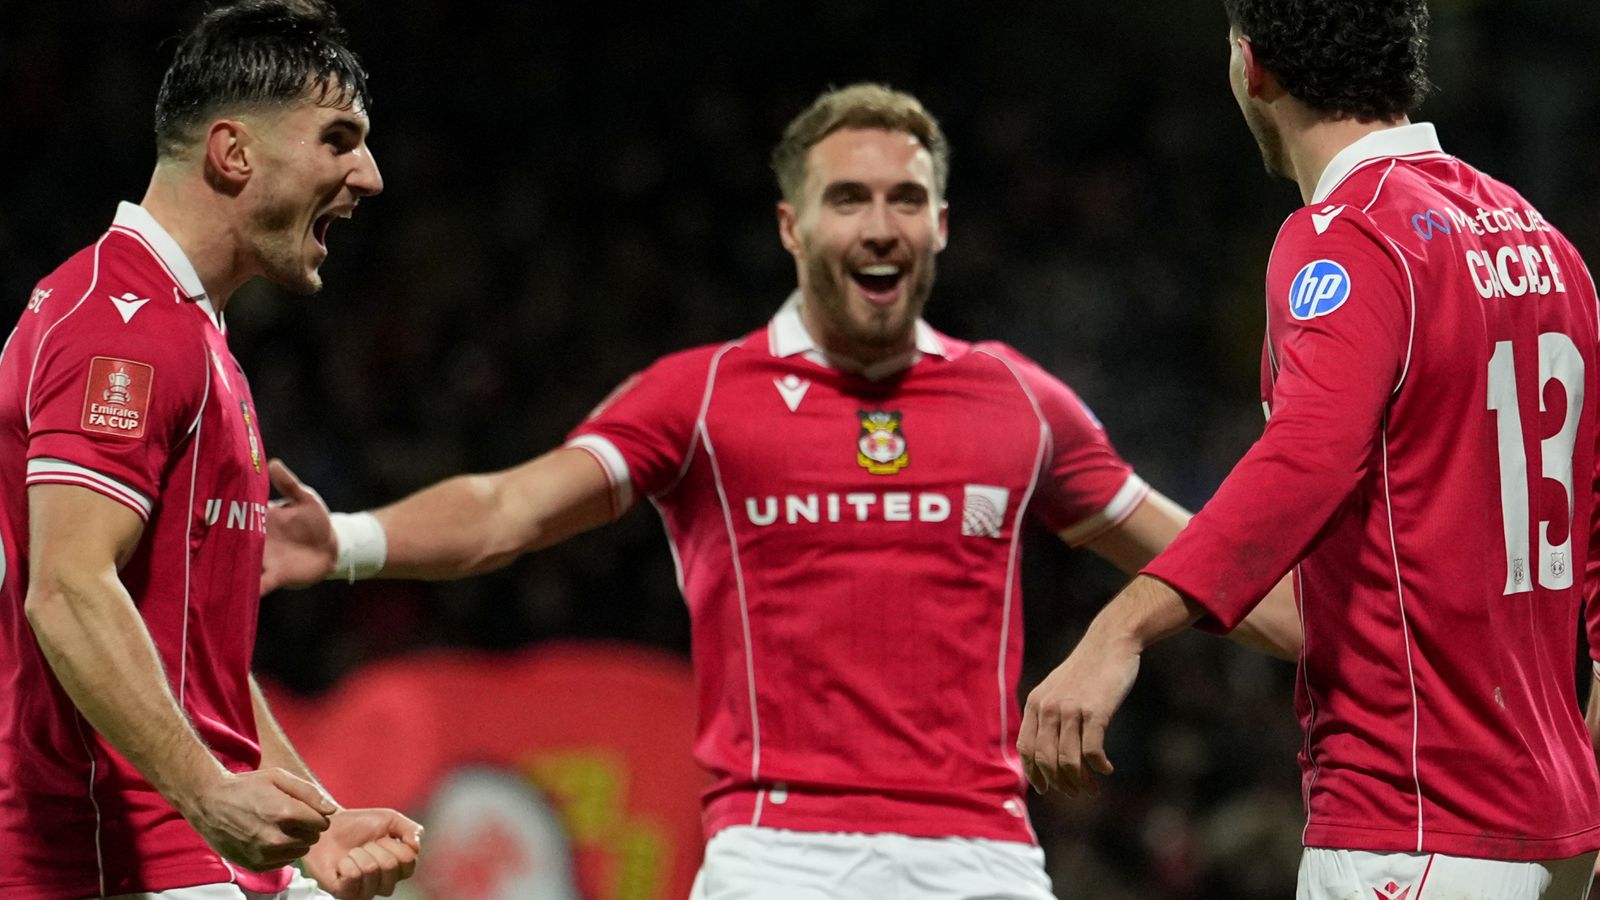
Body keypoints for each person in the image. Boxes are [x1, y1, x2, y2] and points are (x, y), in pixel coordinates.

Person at [263, 83, 1299, 899]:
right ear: (792, 226)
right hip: (778, 853)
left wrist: (1373, 633)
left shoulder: (1020, 404)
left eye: (905, 200)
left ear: (941, 224)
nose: (880, 225)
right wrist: (343, 540)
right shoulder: (704, 396)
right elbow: (508, 510)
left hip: (980, 855)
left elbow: (1214, 565)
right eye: (847, 199)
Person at [1016, 1, 1600, 898]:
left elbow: (1306, 460)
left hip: (1413, 819)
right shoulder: (1546, 245)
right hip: (1557, 835)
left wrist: (1117, 631)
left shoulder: (1348, 236)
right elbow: (1320, 602)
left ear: (1251, 66)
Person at [0, 2, 423, 898]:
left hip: (178, 844)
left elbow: (193, 659)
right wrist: (203, 791)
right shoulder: (122, 328)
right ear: (233, 153)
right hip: (115, 854)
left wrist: (316, 823)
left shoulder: (187, 331)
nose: (370, 176)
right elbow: (68, 590)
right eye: (338, 140)